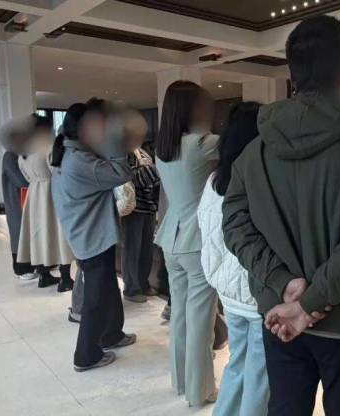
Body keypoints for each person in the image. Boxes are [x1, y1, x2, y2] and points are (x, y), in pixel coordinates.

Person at [222, 16, 340, 416]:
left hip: (280, 318)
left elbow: (235, 225)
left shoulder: (255, 151)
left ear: (293, 74)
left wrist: (285, 284)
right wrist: (311, 303)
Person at [51, 99, 138, 372]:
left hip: (87, 233)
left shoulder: (66, 151)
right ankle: (85, 355)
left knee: (108, 288)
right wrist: (113, 142)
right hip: (92, 237)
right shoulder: (80, 161)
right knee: (96, 299)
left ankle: (111, 334)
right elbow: (122, 172)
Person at [197, 101, 269, 416]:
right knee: (260, 374)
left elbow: (207, 231)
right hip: (257, 293)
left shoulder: (214, 181)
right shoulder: (260, 181)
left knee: (237, 363)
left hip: (228, 292)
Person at [154, 80, 219, 406]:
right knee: (200, 321)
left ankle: (181, 382)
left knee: (180, 314)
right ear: (192, 108)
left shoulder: (162, 150)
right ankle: (200, 391)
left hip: (171, 237)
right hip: (197, 241)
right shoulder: (203, 143)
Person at [17, 115, 75, 291]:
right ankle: (65, 279)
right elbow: (58, 171)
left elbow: (25, 175)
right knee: (59, 234)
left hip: (34, 193)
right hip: (51, 192)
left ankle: (44, 275)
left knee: (38, 234)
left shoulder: (24, 152)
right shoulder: (50, 148)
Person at [120, 112, 161, 303]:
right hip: (134, 209)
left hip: (148, 206)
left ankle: (143, 283)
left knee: (145, 250)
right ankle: (131, 288)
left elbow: (147, 175)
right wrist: (154, 172)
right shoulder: (123, 151)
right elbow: (131, 177)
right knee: (132, 249)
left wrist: (151, 173)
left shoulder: (141, 151)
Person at [0, 118, 36, 280]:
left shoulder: (21, 155)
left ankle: (31, 265)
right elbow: (20, 180)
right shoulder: (10, 156)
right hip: (16, 202)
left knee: (26, 234)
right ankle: (21, 269)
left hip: (26, 201)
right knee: (18, 234)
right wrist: (38, 180)